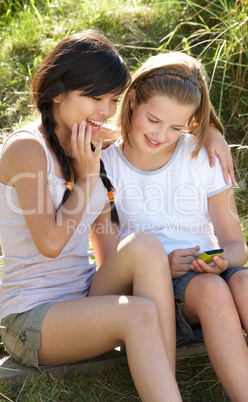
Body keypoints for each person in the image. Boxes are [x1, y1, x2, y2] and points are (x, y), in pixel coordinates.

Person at [0, 30, 185, 401]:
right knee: (137, 314)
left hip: (83, 295)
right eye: (94, 97)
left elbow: (165, 132)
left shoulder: (92, 141)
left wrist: (211, 135)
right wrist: (85, 178)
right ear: (57, 92)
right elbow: (51, 243)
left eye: (113, 99)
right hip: (32, 316)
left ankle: (166, 388)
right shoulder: (26, 149)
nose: (104, 110)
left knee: (145, 247)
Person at [92, 51, 248, 401]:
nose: (162, 135)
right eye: (153, 120)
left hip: (209, 277)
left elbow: (236, 246)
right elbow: (107, 270)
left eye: (176, 127)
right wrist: (162, 266)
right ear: (131, 104)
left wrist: (221, 261)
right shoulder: (103, 164)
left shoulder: (204, 156)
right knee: (212, 290)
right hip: (158, 295)